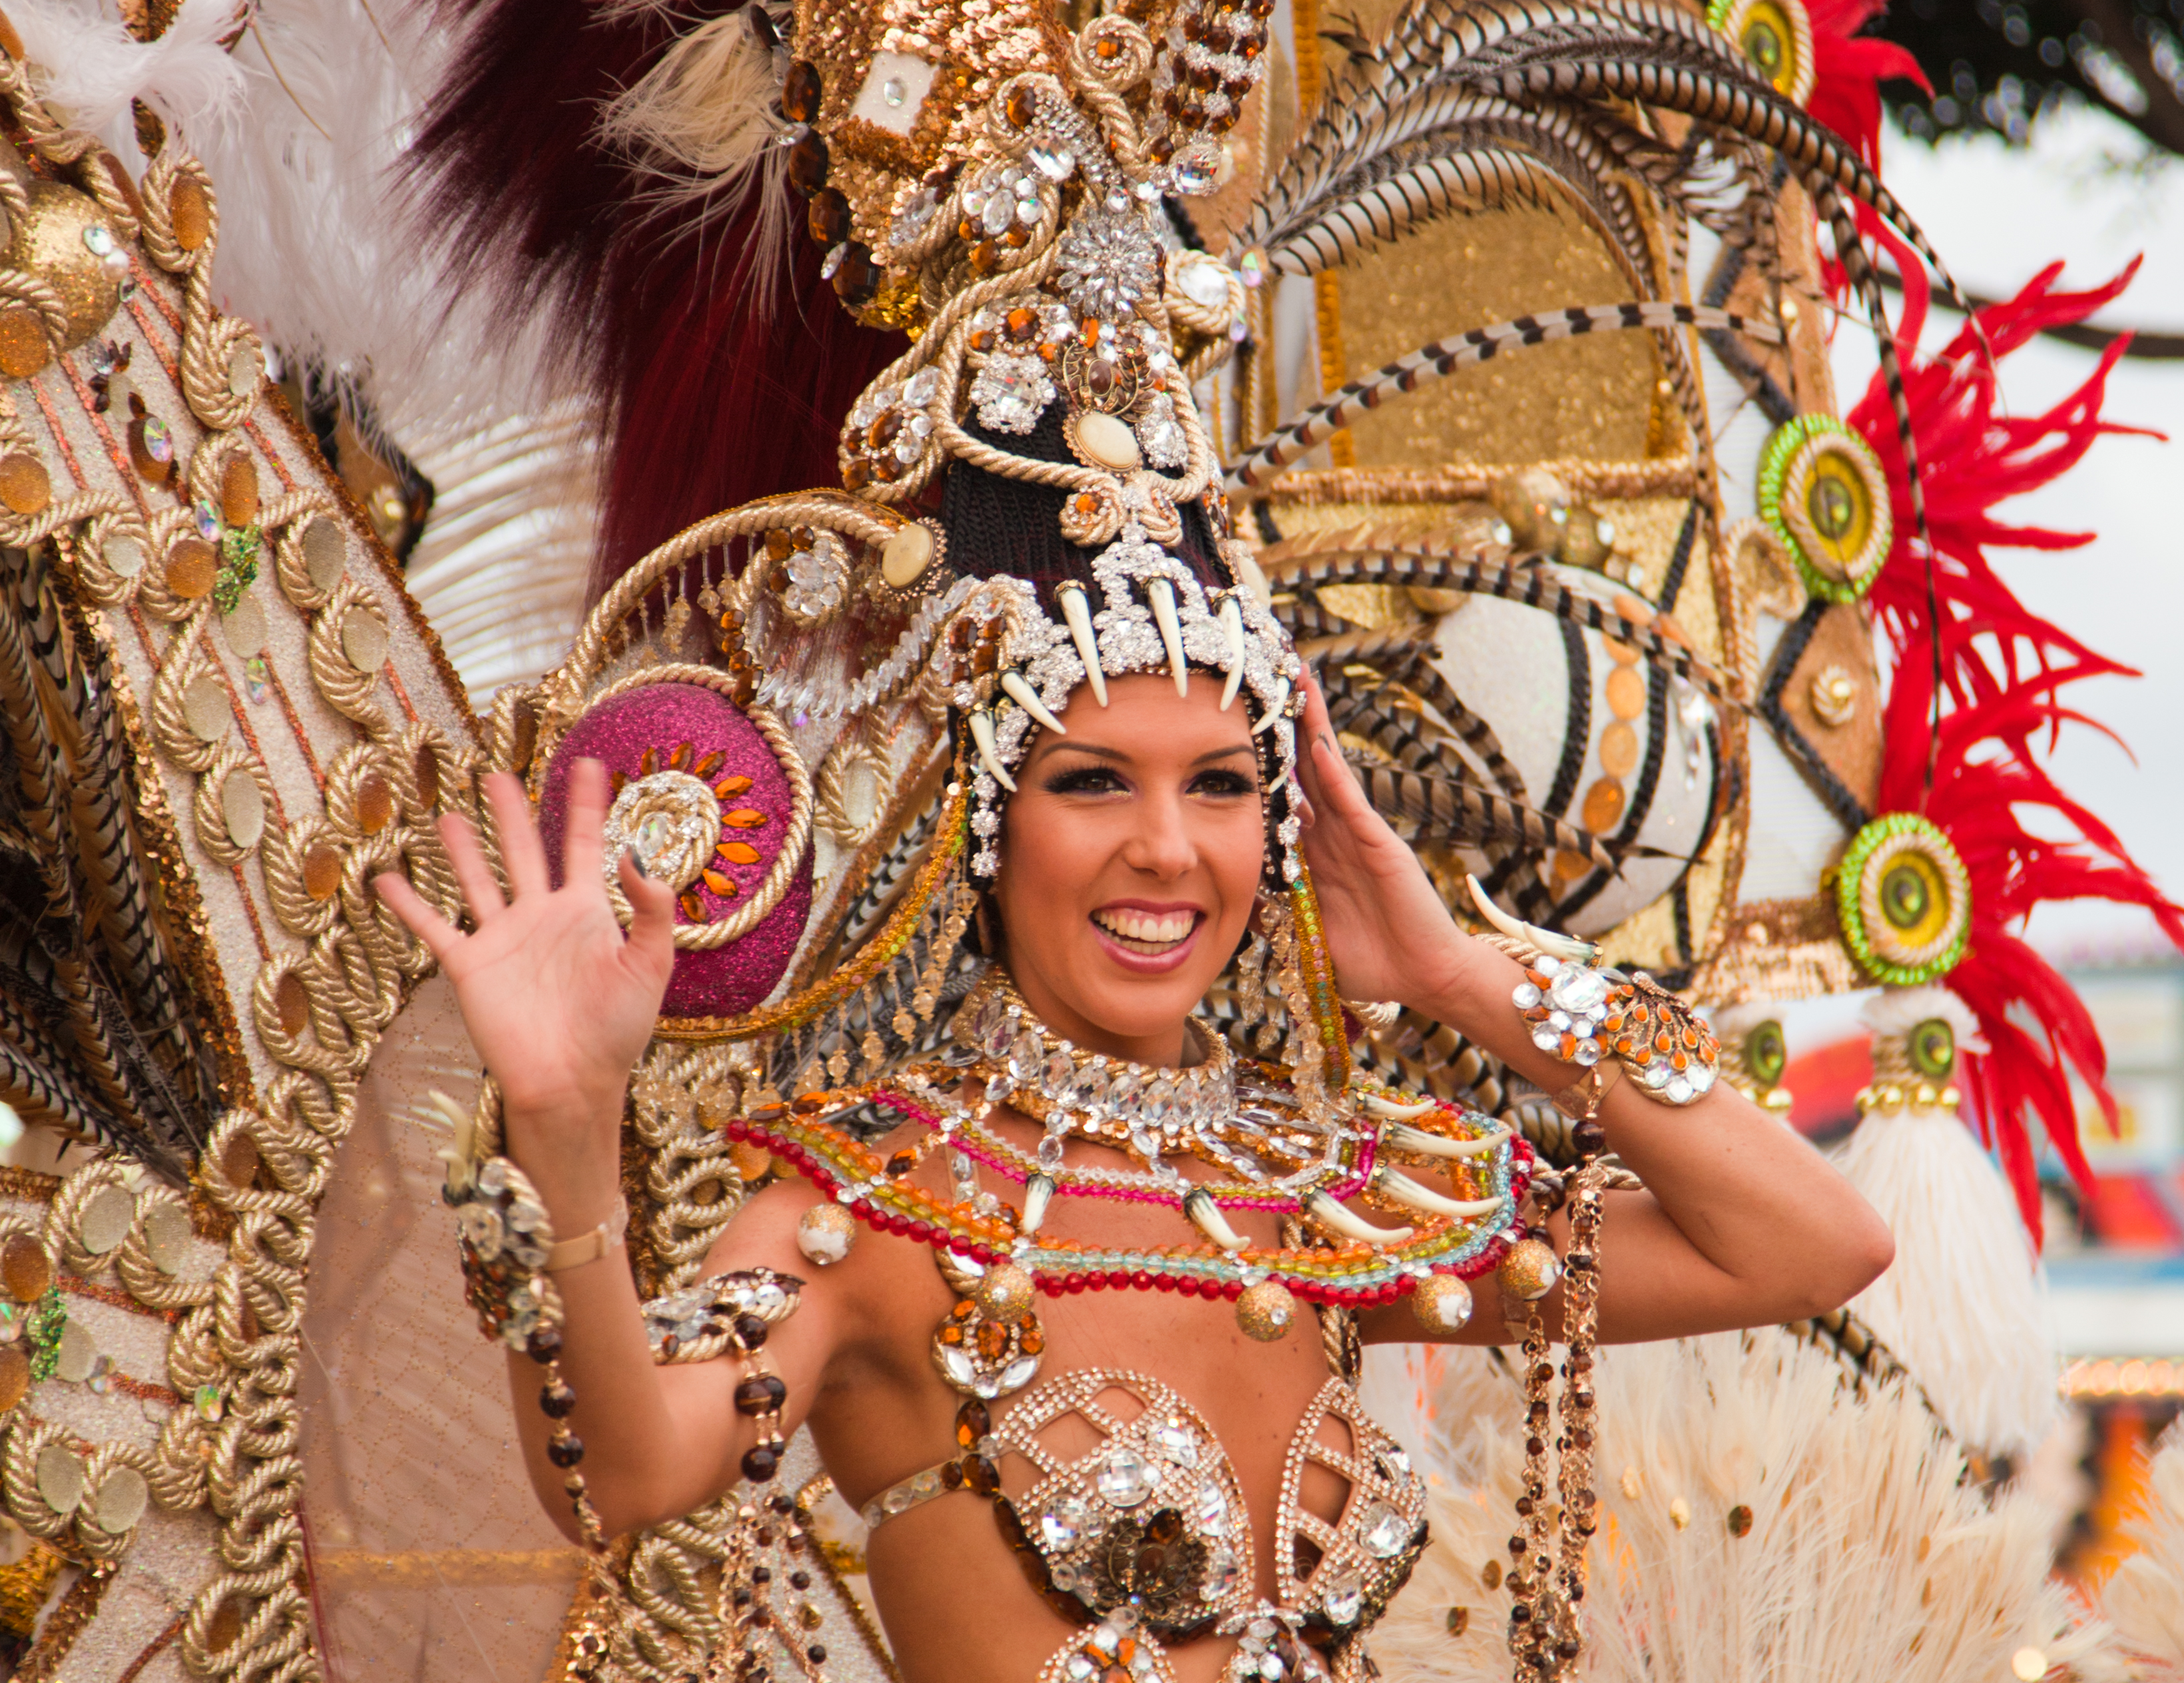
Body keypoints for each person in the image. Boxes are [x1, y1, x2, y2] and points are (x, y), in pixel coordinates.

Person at [378, 637, 1890, 1683]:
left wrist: (1459, 972)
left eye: (1222, 784)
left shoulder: (1327, 1201)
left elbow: (1808, 1244)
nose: (1167, 847)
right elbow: (626, 1470)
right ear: (989, 824)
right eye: (1093, 779)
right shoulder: (878, 1206)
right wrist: (565, 1140)